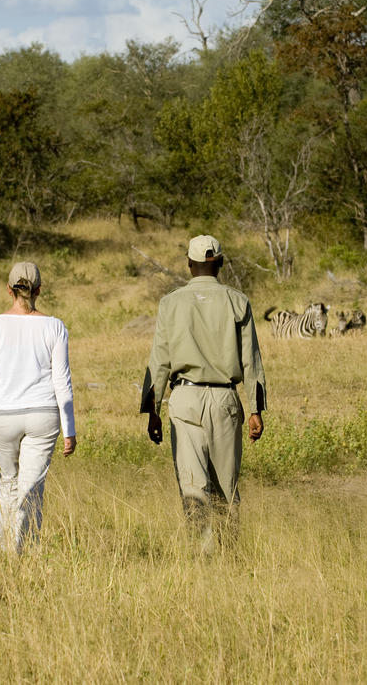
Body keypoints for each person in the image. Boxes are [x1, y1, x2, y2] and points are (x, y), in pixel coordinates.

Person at [140, 234, 266, 553]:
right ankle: (226, 556)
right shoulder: (238, 301)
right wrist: (256, 410)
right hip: (225, 398)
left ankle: (202, 557)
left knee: (193, 487)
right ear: (220, 263)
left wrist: (152, 410)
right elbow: (251, 358)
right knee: (226, 489)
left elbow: (160, 359)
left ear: (189, 264)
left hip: (185, 398)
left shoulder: (171, 303)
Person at [0, 262, 77, 554]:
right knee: (32, 488)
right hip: (43, 414)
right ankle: (26, 549)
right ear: (39, 290)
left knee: (8, 483)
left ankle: (9, 551)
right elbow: (62, 380)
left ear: (9, 289)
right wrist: (70, 428)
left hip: (2, 416)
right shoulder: (55, 326)